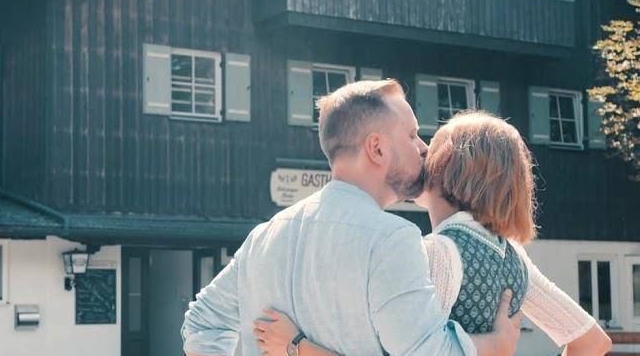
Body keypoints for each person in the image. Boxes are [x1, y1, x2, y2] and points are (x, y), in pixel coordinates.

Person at [182, 80, 521, 356]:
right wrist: (497, 346)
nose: (423, 147)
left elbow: (202, 324)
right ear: (377, 149)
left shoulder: (263, 237)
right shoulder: (392, 240)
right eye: (411, 135)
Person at [254, 111, 612, 356]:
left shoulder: (436, 252)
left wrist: (296, 345)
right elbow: (592, 342)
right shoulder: (515, 256)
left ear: (446, 168)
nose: (420, 152)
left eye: (431, 147)